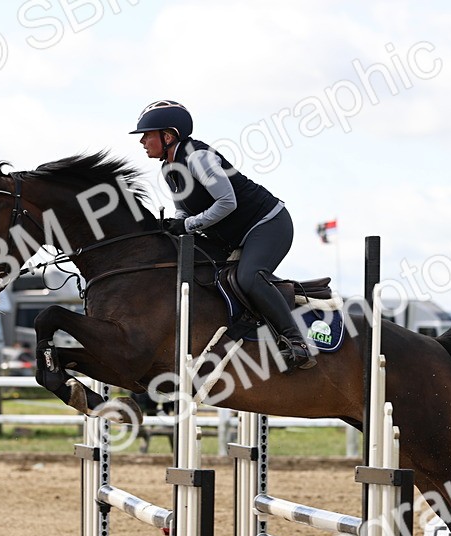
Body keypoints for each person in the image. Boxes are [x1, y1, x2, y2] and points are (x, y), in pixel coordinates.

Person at [130, 100, 315, 371]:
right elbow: (183, 211)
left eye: (147, 135)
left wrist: (189, 225)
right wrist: (174, 226)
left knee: (249, 277)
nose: (143, 141)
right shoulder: (168, 169)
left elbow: (227, 203)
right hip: (230, 235)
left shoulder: (198, 158)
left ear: (168, 136)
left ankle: (296, 341)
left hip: (268, 224)